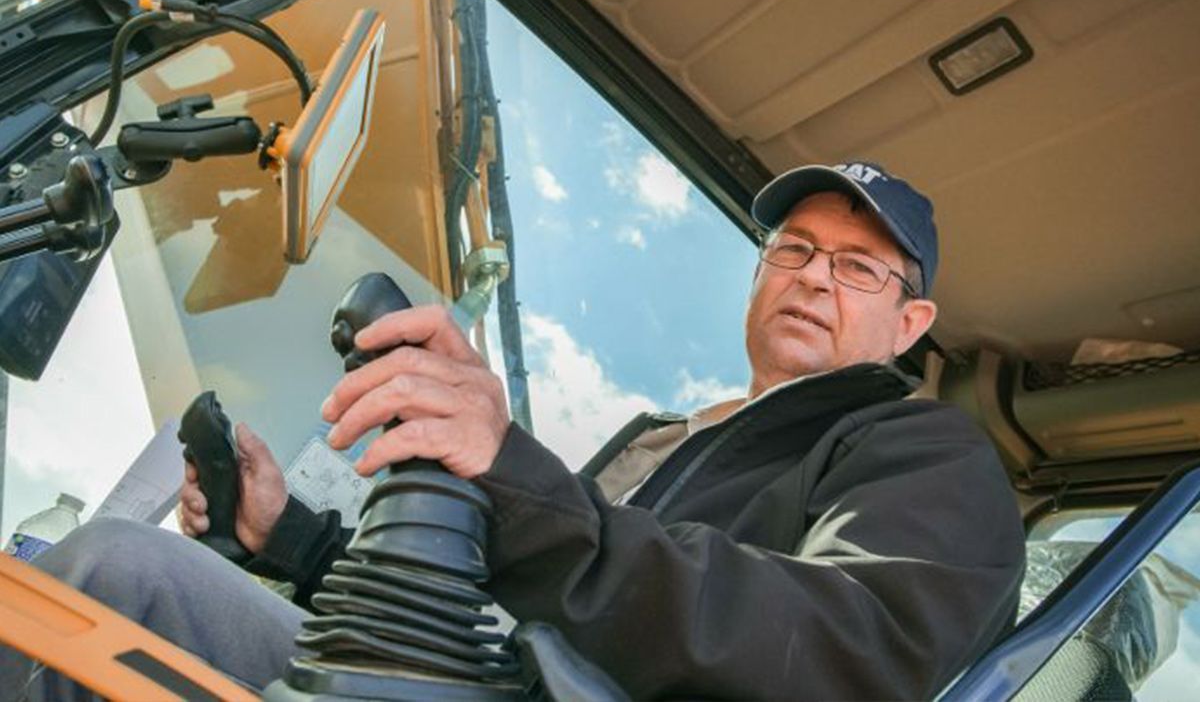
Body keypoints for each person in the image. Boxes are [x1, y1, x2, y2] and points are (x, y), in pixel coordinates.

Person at [0, 162, 1025, 701]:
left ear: (911, 323)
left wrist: (516, 477)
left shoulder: (920, 451)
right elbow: (496, 608)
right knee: (118, 572)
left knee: (118, 575)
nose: (813, 278)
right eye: (793, 249)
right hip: (466, 681)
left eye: (857, 267)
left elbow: (853, 654)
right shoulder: (664, 439)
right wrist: (293, 540)